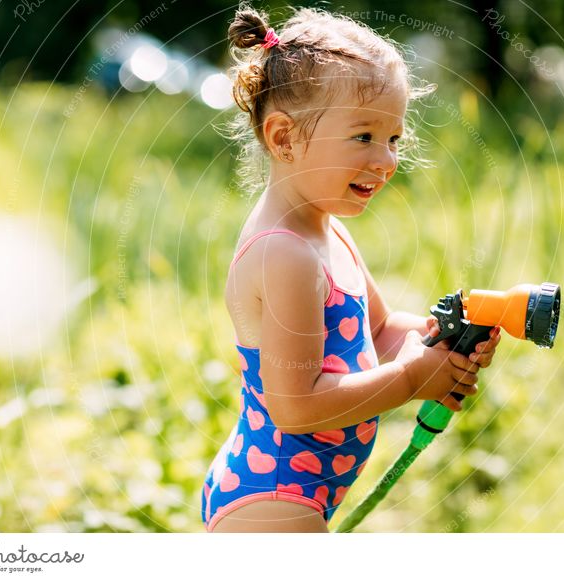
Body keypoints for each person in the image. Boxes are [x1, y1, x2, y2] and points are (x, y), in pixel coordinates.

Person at [200, 4, 501, 533]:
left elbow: (378, 333)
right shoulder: (284, 253)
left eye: (393, 139)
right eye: (363, 137)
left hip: (301, 489)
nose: (385, 160)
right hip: (273, 501)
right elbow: (295, 407)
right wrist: (410, 379)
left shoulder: (327, 229)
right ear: (284, 138)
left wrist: (444, 340)